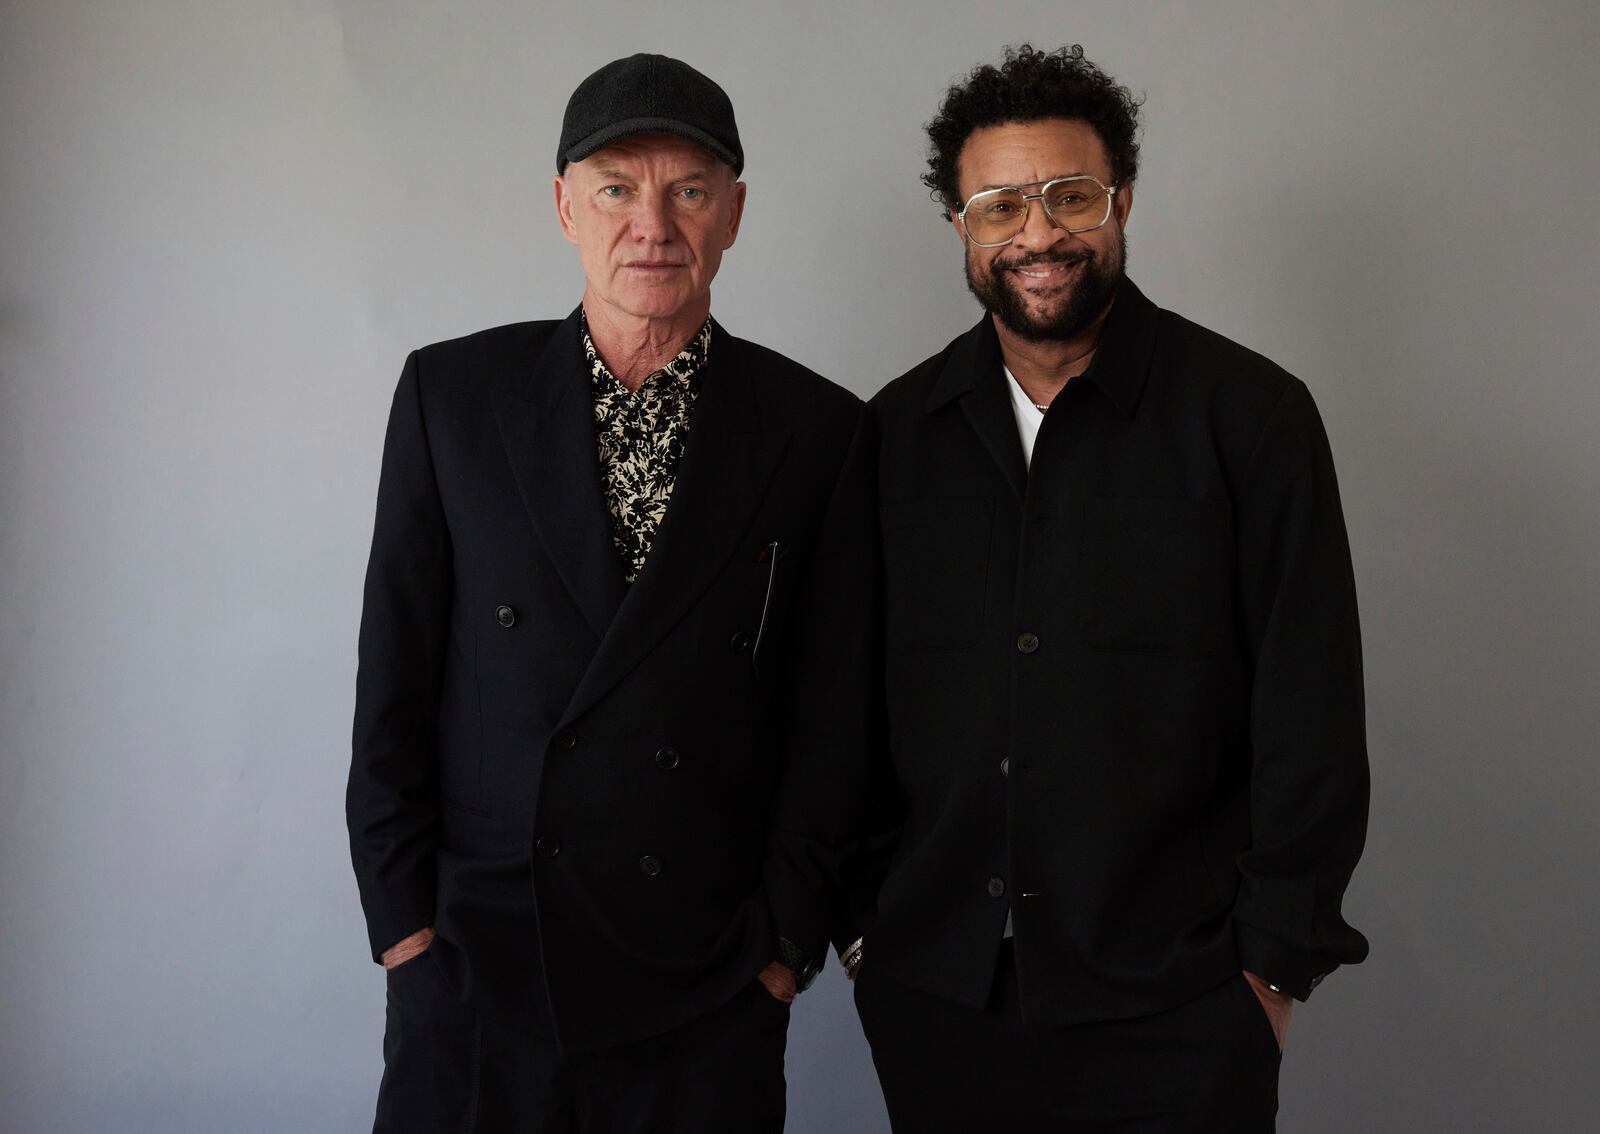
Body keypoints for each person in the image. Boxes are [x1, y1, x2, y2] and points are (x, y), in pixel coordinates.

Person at [845, 44, 1370, 1131]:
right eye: (998, 206)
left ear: (1121, 200)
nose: (1036, 235)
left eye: (1068, 197)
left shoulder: (1252, 418)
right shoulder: (889, 436)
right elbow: (839, 705)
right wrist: (862, 929)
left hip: (1179, 1001)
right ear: (961, 227)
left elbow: (1309, 709)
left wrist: (1267, 971)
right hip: (938, 1000)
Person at [347, 53, 874, 1132]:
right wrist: (404, 929)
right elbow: (392, 677)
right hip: (480, 958)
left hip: (703, 975)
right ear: (563, 207)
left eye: (687, 190)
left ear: (733, 213)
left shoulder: (819, 431)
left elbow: (836, 720)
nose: (653, 225)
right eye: (616, 190)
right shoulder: (453, 398)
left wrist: (780, 949)